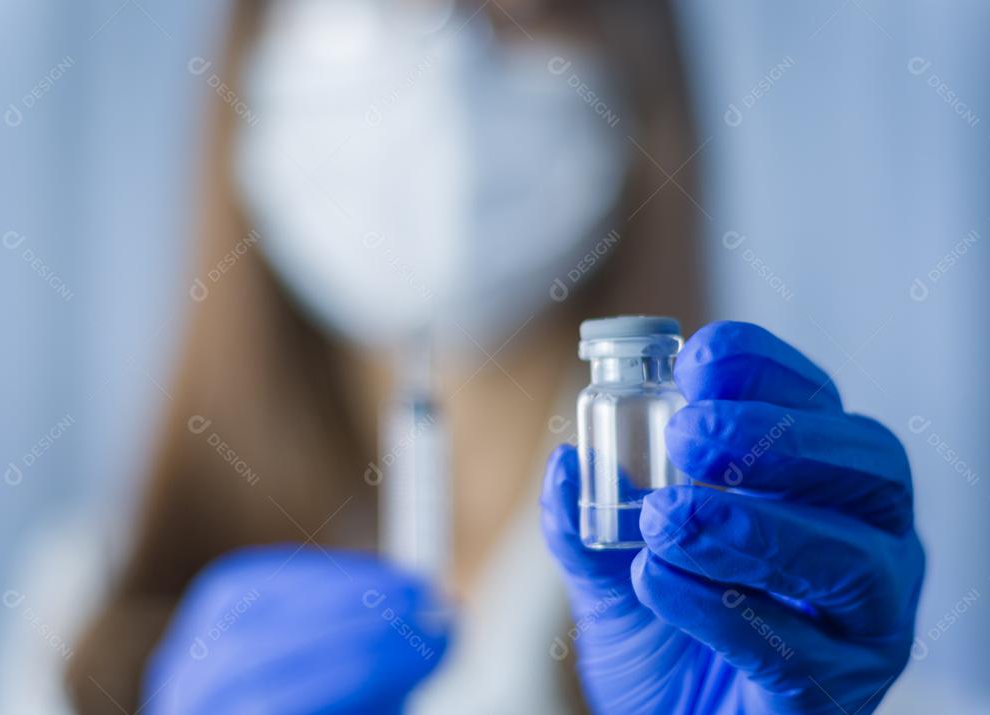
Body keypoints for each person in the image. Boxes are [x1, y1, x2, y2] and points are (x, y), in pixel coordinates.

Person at [65, 2, 923, 713]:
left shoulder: (758, 606)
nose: (445, 55)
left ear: (636, 62)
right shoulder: (90, 616)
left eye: (516, 7)